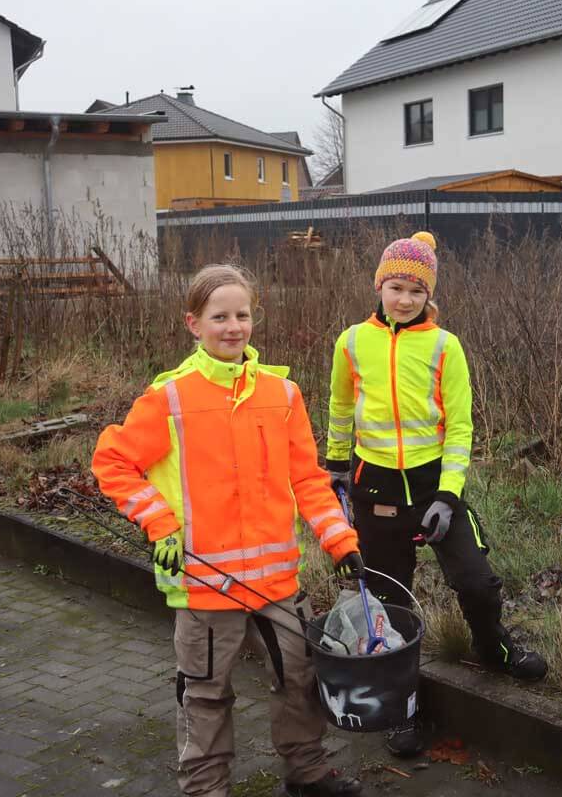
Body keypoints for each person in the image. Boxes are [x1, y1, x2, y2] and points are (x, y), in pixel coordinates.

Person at [93, 264, 364, 797]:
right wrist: (159, 523)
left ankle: (307, 773)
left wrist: (340, 540)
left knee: (299, 678)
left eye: (242, 315)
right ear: (193, 324)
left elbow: (308, 479)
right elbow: (113, 463)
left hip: (276, 581)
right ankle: (205, 787)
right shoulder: (169, 398)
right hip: (204, 582)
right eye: (219, 317)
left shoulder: (281, 394)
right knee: (206, 692)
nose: (233, 326)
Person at [325, 231, 548, 758]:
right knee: (389, 605)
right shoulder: (352, 341)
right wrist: (335, 467)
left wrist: (448, 495)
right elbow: (338, 406)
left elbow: (460, 428)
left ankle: (494, 649)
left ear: (429, 297)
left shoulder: (446, 347)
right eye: (396, 287)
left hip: (432, 490)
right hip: (373, 488)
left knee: (476, 580)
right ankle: (403, 706)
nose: (404, 299)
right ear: (380, 286)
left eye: (416, 291)